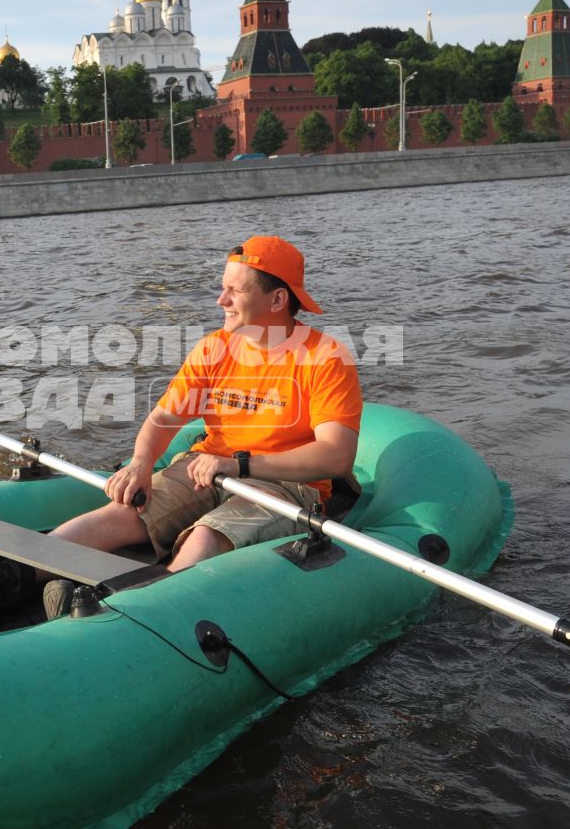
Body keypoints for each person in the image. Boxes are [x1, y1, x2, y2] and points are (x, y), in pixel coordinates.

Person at [41, 235, 362, 617]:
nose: (220, 300)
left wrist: (241, 465)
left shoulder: (325, 358)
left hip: (285, 485)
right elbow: (163, 419)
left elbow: (337, 455)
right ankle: (3, 575)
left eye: (234, 291)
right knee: (121, 514)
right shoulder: (214, 348)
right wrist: (141, 463)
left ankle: (134, 614)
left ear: (277, 300)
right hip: (206, 469)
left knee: (206, 537)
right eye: (222, 288)